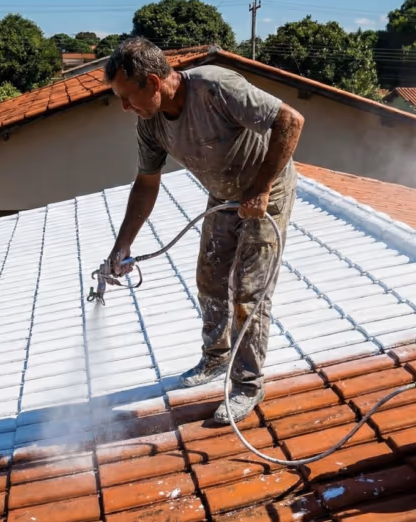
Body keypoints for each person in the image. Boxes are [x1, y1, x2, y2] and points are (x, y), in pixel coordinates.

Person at [102, 38, 305, 424]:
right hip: (224, 194)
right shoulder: (150, 124)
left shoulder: (216, 88)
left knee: (248, 292)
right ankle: (216, 358)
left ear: (153, 83)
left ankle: (248, 384)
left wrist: (261, 188)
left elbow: (290, 121)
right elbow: (146, 183)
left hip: (267, 189)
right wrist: (122, 245)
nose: (126, 107)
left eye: (127, 97)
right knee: (210, 279)